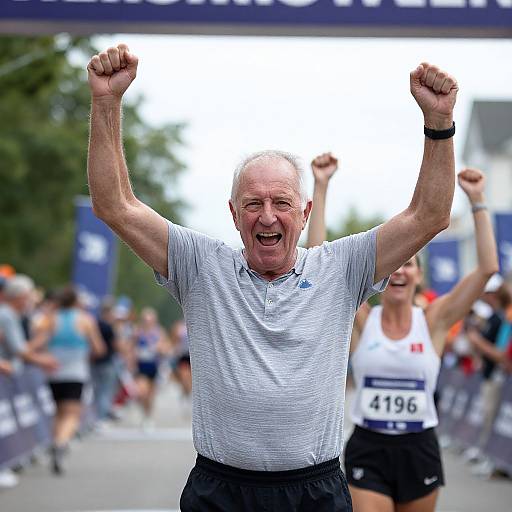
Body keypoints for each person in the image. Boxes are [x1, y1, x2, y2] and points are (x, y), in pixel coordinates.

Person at [87, 44, 457, 511]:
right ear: (233, 214)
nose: (267, 216)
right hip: (219, 490)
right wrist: (106, 102)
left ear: (304, 213)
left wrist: (439, 124)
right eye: (253, 204)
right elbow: (113, 205)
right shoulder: (200, 264)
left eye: (281, 203)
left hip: (314, 491)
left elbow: (430, 216)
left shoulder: (340, 267)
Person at [307, 158, 498, 512]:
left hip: (418, 448)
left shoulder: (435, 320)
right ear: (379, 276)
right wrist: (320, 187)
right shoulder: (363, 319)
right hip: (369, 445)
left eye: (407, 264)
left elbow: (487, 269)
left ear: (418, 276)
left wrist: (477, 200)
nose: (398, 271)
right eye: (392, 265)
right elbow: (317, 264)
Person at [39, 285, 105, 474]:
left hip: (54, 372)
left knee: (59, 412)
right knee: (72, 415)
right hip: (76, 372)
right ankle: (61, 444)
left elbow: (39, 342)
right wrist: (84, 354)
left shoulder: (50, 319)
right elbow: (99, 348)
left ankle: (56, 442)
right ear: (76, 302)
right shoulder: (85, 320)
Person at [132, 307, 168, 428]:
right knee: (142, 392)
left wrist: (160, 349)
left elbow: (166, 348)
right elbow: (130, 348)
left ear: (154, 321)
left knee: (150, 395)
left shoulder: (159, 332)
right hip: (141, 367)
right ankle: (145, 413)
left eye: (150, 320)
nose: (147, 322)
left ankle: (148, 417)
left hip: (154, 367)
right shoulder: (137, 332)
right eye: (145, 320)